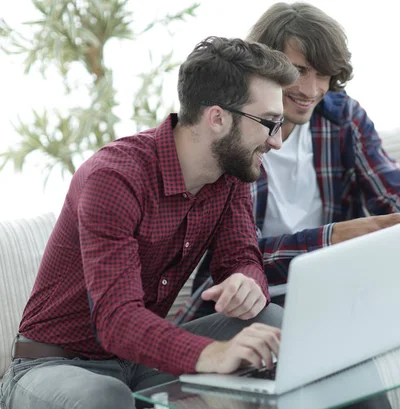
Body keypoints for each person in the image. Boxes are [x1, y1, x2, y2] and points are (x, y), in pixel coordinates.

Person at [0, 36, 299, 409]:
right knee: (103, 396)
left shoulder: (231, 175)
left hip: (138, 363)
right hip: (53, 365)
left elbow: (241, 258)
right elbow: (116, 320)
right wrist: (213, 355)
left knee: (272, 323)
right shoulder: (114, 178)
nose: (277, 142)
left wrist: (246, 281)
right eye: (269, 123)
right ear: (218, 118)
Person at [182, 2, 400, 322]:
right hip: (255, 292)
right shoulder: (237, 131)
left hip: (340, 281)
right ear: (266, 65)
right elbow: (240, 256)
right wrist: (335, 238)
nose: (311, 90)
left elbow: (391, 191)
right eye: (299, 71)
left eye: (323, 74)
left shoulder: (340, 115)